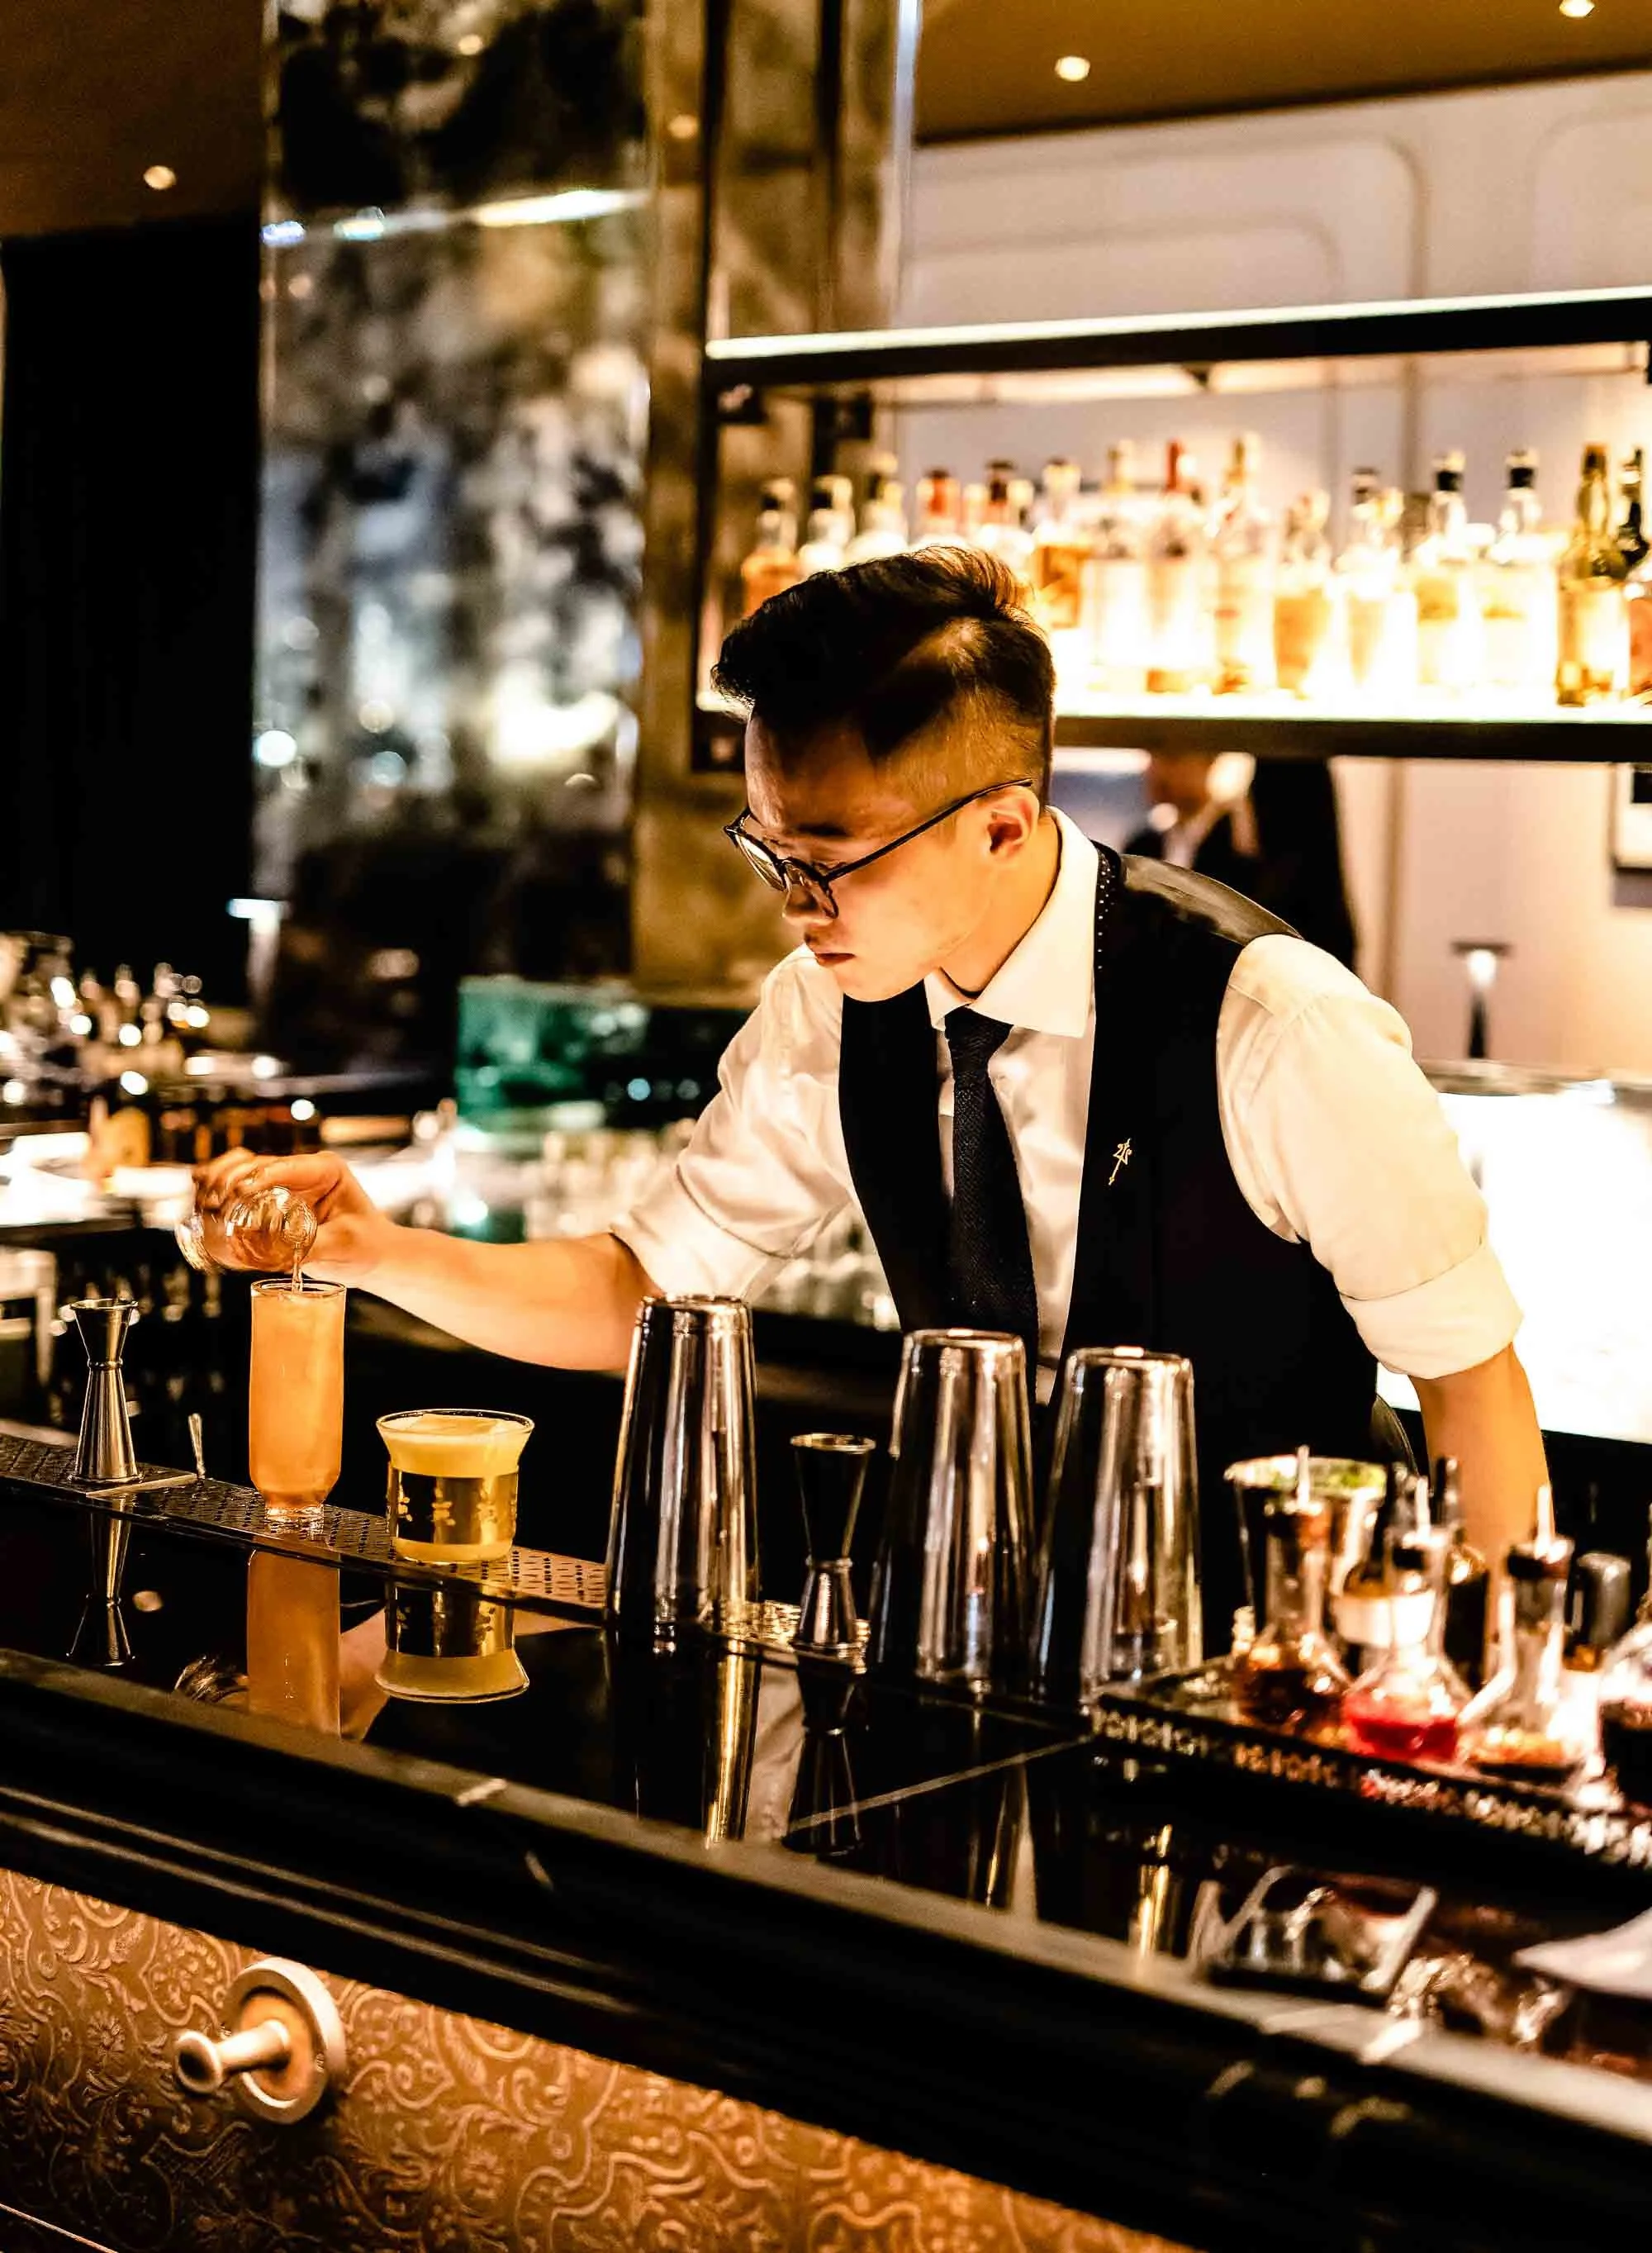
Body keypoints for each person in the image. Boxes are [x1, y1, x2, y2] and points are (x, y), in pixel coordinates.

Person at [200, 548, 1547, 1647]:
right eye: (769, 848)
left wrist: (1445, 1712)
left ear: (1004, 824)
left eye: (830, 857)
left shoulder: (1272, 1020)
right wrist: (370, 1252)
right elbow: (643, 1293)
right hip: (978, 1642)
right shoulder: (828, 1008)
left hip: (1270, 1661)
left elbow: (1471, 1389)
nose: (794, 906)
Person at [1124, 751, 1358, 967]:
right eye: (1152, 756)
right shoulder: (1144, 844)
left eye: (1172, 758)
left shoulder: (1237, 844)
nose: (1155, 770)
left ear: (1208, 761)